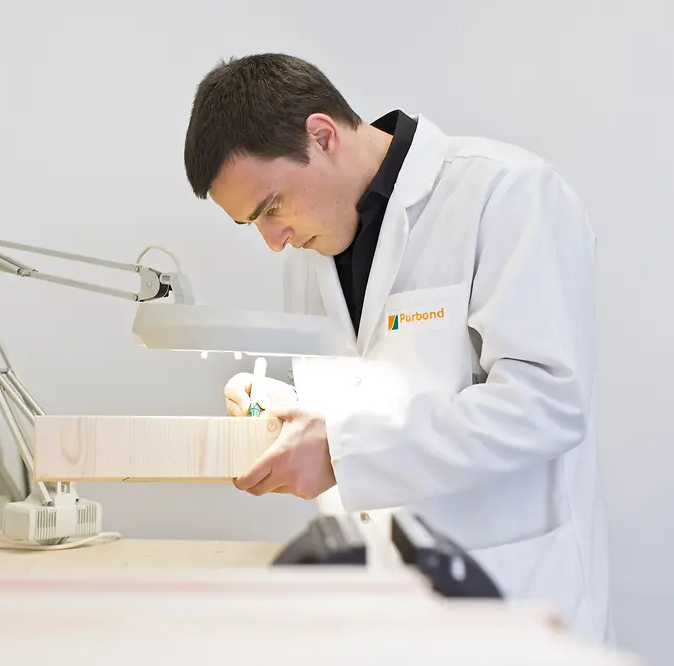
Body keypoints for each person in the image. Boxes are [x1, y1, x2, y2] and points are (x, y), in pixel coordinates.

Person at [182, 53, 612, 643]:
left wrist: (340, 451)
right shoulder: (310, 249)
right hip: (368, 613)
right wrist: (278, 407)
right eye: (252, 223)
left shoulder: (507, 195)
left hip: (508, 605)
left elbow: (547, 404)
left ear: (322, 135)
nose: (274, 242)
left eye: (271, 207)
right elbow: (360, 407)